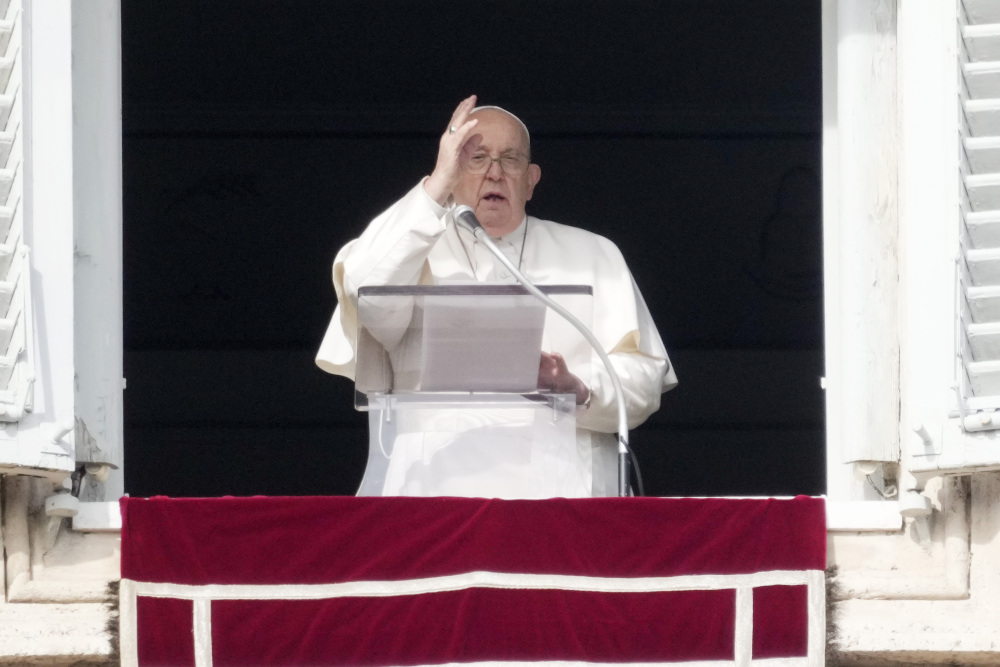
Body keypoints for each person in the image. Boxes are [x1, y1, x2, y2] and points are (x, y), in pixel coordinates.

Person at [316, 95, 677, 497]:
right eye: (476, 157)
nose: (494, 173)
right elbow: (367, 293)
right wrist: (436, 185)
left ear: (531, 179)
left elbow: (644, 376)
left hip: (563, 492)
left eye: (510, 159)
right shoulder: (410, 247)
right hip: (433, 492)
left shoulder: (593, 254)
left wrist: (578, 387)